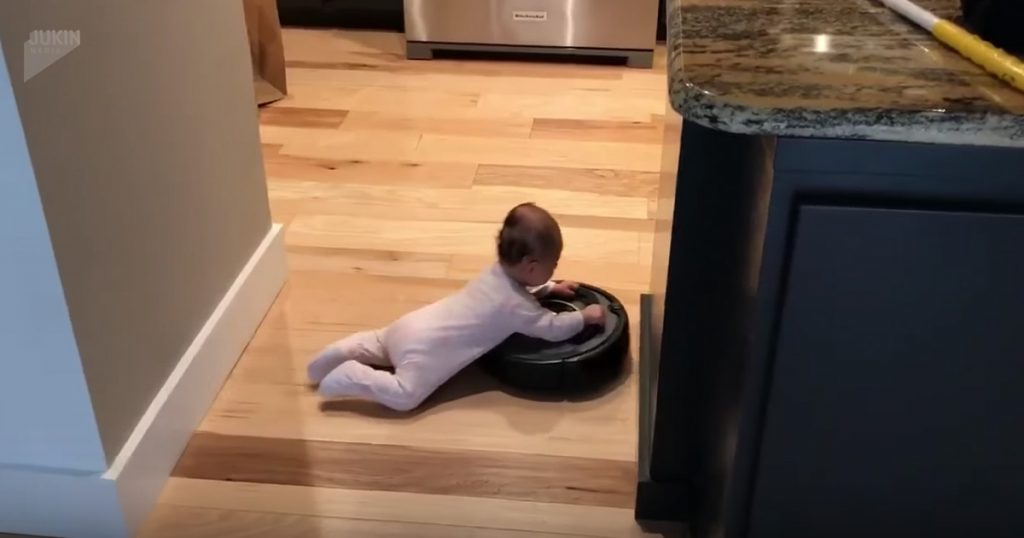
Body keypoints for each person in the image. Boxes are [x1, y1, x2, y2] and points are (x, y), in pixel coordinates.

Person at [307, 202, 606, 411]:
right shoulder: (516, 305)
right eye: (553, 264)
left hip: (410, 325)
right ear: (531, 266)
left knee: (379, 342)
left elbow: (524, 292)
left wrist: (551, 288)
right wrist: (584, 317)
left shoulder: (497, 273)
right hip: (425, 352)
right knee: (405, 396)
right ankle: (352, 375)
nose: (555, 269)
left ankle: (338, 353)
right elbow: (552, 328)